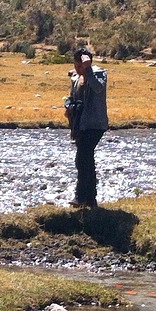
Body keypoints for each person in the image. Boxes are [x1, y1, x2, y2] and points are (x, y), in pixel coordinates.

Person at [67, 48, 109, 207]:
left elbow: (98, 88)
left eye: (81, 66)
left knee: (82, 158)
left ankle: (81, 196)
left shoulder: (98, 73)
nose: (78, 69)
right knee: (86, 159)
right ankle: (90, 199)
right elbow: (73, 96)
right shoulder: (76, 76)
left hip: (94, 124)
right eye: (76, 66)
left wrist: (88, 70)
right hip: (80, 124)